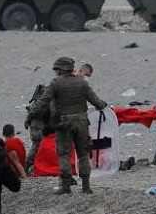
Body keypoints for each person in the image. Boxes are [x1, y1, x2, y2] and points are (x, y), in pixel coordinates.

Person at [28, 57, 108, 194]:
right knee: (83, 153)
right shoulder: (82, 83)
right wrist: (103, 105)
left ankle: (66, 186)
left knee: (64, 154)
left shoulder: (55, 84)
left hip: (64, 123)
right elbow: (96, 101)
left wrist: (31, 114)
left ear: (60, 70)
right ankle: (86, 186)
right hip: (82, 122)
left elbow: (43, 102)